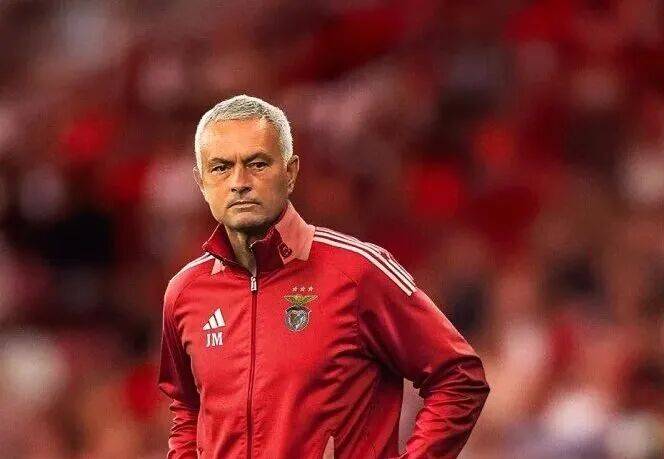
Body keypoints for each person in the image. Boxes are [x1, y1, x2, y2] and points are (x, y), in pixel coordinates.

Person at [158, 95, 489, 458]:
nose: (239, 182)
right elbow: (187, 410)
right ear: (201, 181)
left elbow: (458, 376)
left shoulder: (357, 272)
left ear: (290, 173)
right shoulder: (184, 292)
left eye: (257, 163)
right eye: (221, 167)